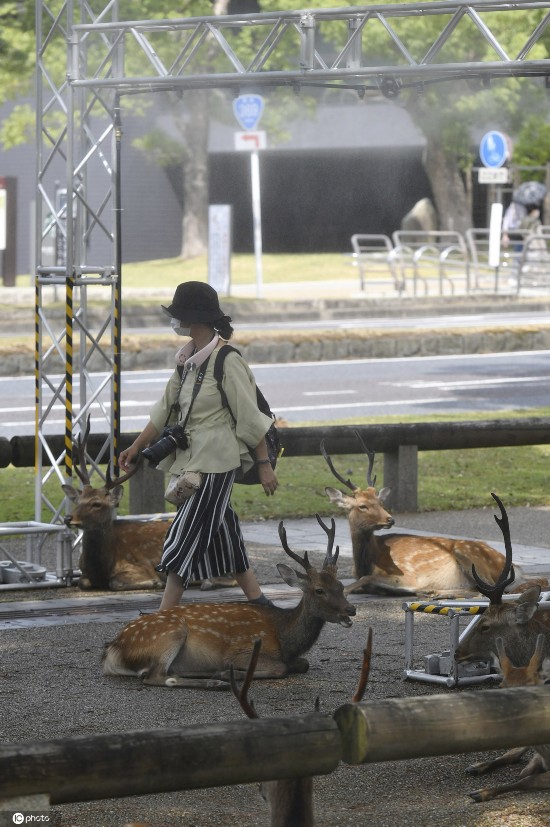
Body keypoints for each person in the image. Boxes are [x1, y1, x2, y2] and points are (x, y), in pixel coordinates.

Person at [119, 281, 278, 610]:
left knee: (186, 534)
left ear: (195, 319)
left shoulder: (228, 361)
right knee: (224, 532)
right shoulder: (186, 361)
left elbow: (250, 418)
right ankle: (262, 607)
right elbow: (164, 409)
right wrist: (135, 447)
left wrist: (264, 465)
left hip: (217, 463)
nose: (175, 322)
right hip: (191, 462)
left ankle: (163, 617)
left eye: (179, 316)